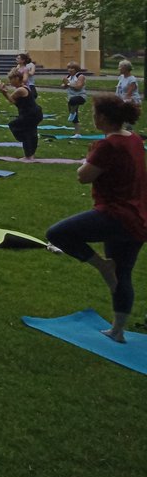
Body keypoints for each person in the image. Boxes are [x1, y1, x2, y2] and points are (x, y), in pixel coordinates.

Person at [46, 96, 147, 343]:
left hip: (115, 214)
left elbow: (84, 176)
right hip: (138, 217)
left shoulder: (108, 145)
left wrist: (85, 162)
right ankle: (118, 330)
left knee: (57, 234)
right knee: (123, 274)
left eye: (94, 113)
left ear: (101, 117)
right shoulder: (133, 139)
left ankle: (103, 266)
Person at [0, 67, 43, 159]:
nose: (10, 81)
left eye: (11, 79)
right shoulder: (24, 88)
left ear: (17, 79)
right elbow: (15, 102)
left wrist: (3, 92)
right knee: (31, 133)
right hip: (34, 113)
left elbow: (11, 100)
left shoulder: (21, 90)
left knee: (15, 127)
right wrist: (5, 92)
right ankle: (30, 155)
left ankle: (28, 154)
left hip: (30, 114)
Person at [63, 61, 88, 135]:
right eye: (69, 68)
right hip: (71, 97)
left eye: (72, 68)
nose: (70, 70)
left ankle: (72, 112)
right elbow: (64, 86)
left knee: (73, 101)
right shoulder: (68, 77)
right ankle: (77, 134)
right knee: (74, 118)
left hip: (80, 96)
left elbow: (78, 87)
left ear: (76, 69)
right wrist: (64, 84)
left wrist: (68, 83)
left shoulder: (80, 76)